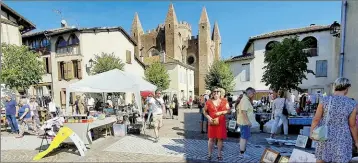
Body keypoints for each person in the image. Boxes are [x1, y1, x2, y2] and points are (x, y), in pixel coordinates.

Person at [310, 78, 358, 163]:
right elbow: (352, 125)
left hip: (324, 135)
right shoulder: (352, 103)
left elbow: (316, 119)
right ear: (346, 89)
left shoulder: (325, 100)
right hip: (342, 137)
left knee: (321, 159)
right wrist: (357, 141)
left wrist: (312, 133)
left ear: (335, 87)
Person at [203, 87, 230, 161]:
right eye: (214, 91)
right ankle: (209, 154)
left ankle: (219, 154)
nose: (216, 93)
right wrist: (208, 117)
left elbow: (228, 110)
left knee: (220, 139)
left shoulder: (224, 101)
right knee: (211, 139)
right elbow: (204, 111)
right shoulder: (208, 101)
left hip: (221, 122)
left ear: (220, 93)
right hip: (212, 122)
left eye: (218, 91)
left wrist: (221, 112)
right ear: (212, 93)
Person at [237, 87, 256, 158]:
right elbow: (243, 112)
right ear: (250, 93)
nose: (254, 95)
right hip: (244, 123)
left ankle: (243, 151)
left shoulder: (245, 99)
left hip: (243, 122)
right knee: (244, 138)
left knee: (243, 137)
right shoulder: (245, 100)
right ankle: (242, 153)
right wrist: (248, 122)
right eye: (253, 93)